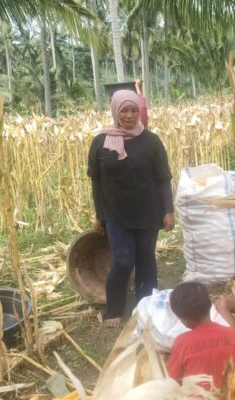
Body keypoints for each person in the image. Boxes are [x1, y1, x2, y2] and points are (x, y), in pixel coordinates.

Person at [87, 89, 175, 327]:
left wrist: (169, 210)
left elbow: (163, 178)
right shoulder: (100, 142)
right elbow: (96, 181)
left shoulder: (151, 141)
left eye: (133, 110)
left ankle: (146, 308)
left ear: (140, 111)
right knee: (123, 261)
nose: (129, 115)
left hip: (148, 211)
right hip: (116, 214)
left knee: (146, 260)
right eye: (124, 110)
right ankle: (114, 309)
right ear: (115, 110)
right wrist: (100, 215)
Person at [167, 281, 235, 393]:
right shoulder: (230, 333)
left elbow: (171, 381)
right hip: (228, 395)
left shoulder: (182, 342)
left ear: (184, 321)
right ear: (209, 306)